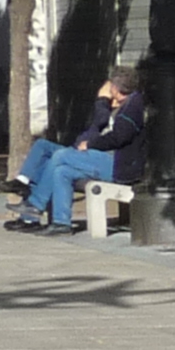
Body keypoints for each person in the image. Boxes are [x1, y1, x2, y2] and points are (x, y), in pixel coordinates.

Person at [9, 71, 146, 231]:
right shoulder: (127, 104)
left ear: (115, 88)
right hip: (106, 158)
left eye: (110, 86)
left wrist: (90, 144)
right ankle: (61, 223)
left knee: (60, 156)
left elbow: (118, 137)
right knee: (61, 171)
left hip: (118, 165)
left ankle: (35, 205)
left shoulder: (132, 107)